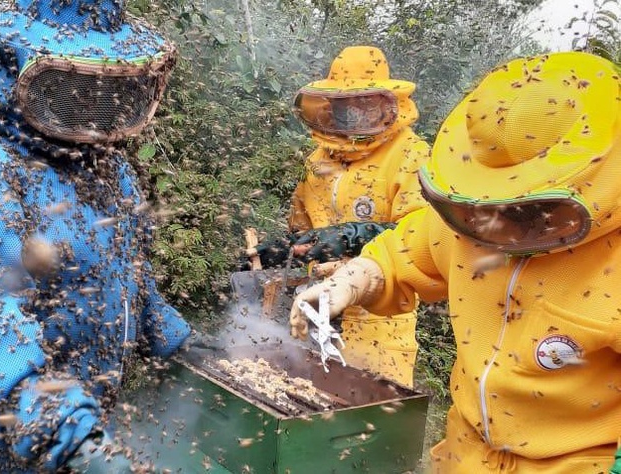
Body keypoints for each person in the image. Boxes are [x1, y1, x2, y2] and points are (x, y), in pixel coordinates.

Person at [0, 0, 190, 472]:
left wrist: (175, 339)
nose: (92, 100)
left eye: (105, 82)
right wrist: (71, 441)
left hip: (68, 426)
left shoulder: (105, 166)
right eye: (77, 82)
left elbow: (125, 273)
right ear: (11, 62)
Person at [290, 51, 621, 473]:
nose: (501, 226)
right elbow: (401, 253)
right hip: (465, 453)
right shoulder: (476, 220)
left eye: (527, 206)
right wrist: (351, 280)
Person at [250, 46, 430, 386]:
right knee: (310, 409)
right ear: (328, 107)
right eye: (345, 107)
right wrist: (285, 248)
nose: (353, 117)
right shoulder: (319, 159)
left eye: (364, 106)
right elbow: (304, 229)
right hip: (313, 305)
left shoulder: (410, 154)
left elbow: (422, 235)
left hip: (380, 319)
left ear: (387, 104)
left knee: (370, 416)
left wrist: (351, 236)